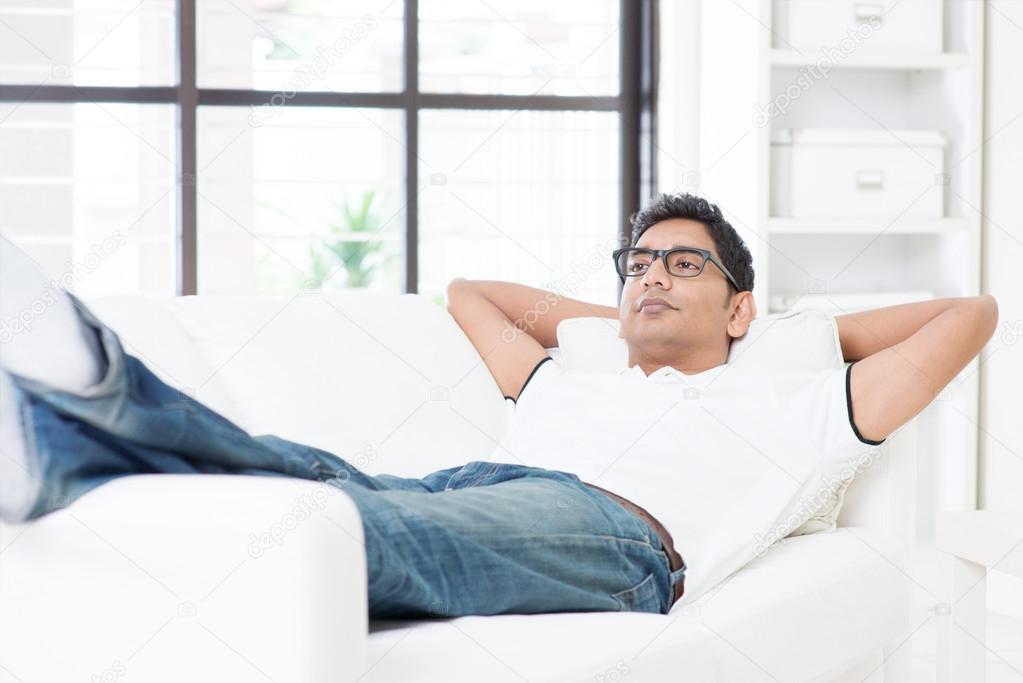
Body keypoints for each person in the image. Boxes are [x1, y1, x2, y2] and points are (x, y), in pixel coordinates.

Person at [0, 193, 998, 619]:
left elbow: (970, 311)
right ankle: (64, 431)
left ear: (740, 302)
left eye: (682, 264)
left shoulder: (802, 402)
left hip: (612, 535)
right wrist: (616, 320)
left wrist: (779, 327)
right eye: (637, 266)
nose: (651, 278)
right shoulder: (574, 376)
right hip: (471, 488)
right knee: (298, 469)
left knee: (350, 526)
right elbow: (470, 291)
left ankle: (84, 401)